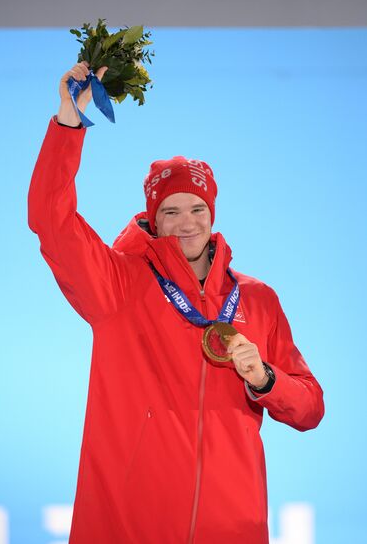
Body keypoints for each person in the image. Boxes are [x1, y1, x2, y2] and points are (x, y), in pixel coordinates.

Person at [28, 61, 324, 544]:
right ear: (154, 218)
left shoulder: (257, 299)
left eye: (197, 209)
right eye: (170, 211)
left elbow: (311, 407)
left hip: (234, 529)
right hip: (131, 525)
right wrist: (68, 122)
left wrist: (265, 380)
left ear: (213, 214)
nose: (187, 222)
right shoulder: (119, 285)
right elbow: (50, 219)